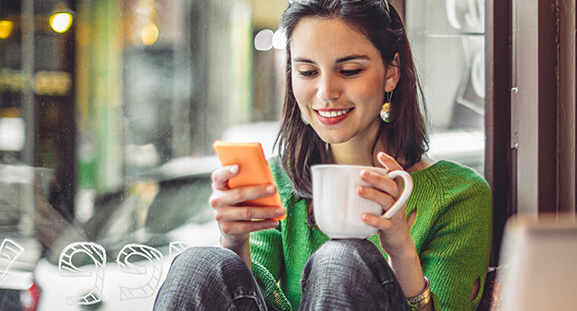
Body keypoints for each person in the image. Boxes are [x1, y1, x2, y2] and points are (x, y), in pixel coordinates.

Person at [153, 0, 492, 310]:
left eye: (349, 71)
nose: (326, 92)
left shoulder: (458, 195)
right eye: (307, 72)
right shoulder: (278, 182)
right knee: (199, 262)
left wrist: (401, 248)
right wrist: (234, 240)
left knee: (341, 259)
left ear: (391, 72)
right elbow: (253, 297)